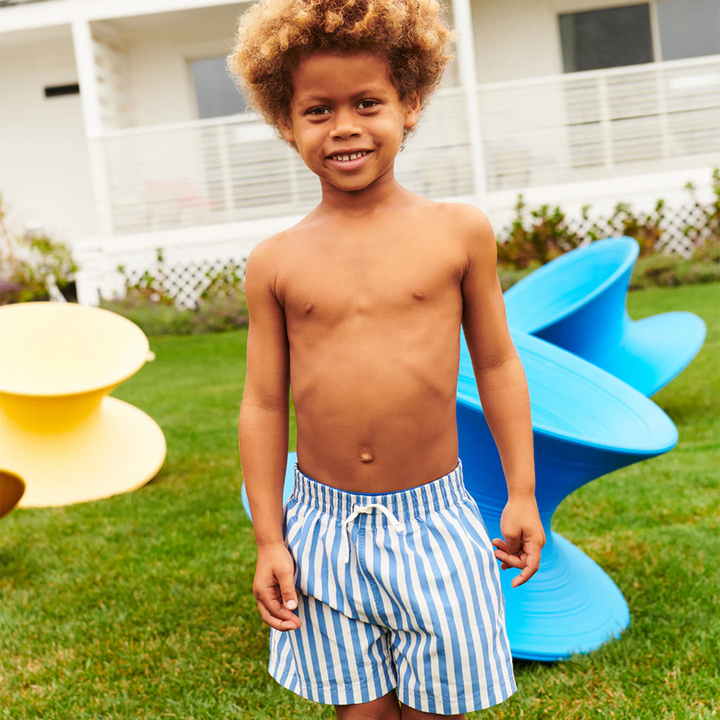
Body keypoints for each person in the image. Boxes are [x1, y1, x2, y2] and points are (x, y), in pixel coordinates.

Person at [231, 0, 546, 717]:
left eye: (367, 102)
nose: (344, 126)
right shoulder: (274, 262)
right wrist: (269, 538)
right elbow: (262, 403)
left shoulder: (457, 233)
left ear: (410, 105)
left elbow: (497, 365)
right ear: (287, 122)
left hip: (435, 523)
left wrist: (522, 493)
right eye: (318, 110)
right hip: (322, 529)